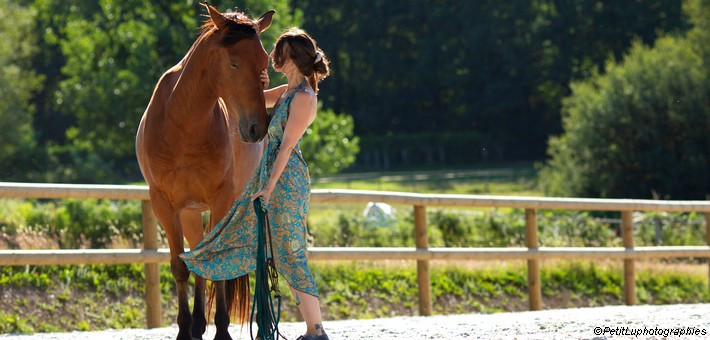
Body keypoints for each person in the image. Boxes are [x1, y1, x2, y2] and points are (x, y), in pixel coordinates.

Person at [179, 27, 331, 340]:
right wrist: (257, 82)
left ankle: (316, 330)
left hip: (286, 179)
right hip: (272, 174)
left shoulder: (303, 98)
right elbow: (256, 99)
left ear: (292, 58)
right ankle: (205, 261)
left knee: (291, 253)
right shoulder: (288, 91)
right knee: (272, 249)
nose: (274, 58)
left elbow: (286, 147)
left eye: (280, 53)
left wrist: (270, 185)